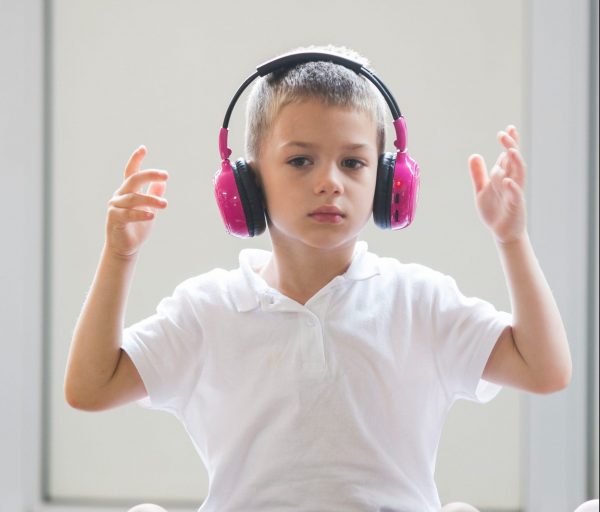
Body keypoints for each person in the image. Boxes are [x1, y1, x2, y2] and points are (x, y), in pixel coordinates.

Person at [64, 45, 575, 512]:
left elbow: (544, 370)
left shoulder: (417, 300)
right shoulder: (209, 309)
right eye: (300, 160)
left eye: (353, 162)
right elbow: (91, 387)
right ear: (246, 181)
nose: (330, 182)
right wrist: (118, 257)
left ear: (387, 182)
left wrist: (512, 240)